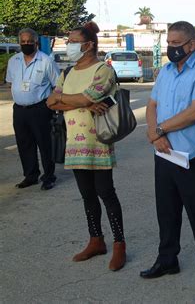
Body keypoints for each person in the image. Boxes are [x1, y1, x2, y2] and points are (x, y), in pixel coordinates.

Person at [141, 21, 195, 294]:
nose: (171, 48)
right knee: (166, 210)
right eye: (169, 43)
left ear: (191, 44)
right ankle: (167, 260)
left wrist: (161, 129)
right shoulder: (164, 72)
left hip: (191, 155)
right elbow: (152, 106)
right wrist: (155, 134)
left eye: (176, 43)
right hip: (163, 152)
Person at [46, 22, 126, 271]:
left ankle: (119, 245)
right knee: (87, 195)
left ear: (88, 44)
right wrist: (82, 103)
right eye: (68, 41)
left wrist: (68, 99)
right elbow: (50, 102)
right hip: (74, 144)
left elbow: (85, 97)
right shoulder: (67, 72)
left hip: (98, 142)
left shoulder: (103, 70)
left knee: (106, 193)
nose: (68, 45)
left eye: (72, 41)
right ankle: (96, 240)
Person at [6, 28, 59, 190]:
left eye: (29, 41)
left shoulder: (46, 61)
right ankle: (31, 176)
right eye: (23, 42)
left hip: (40, 109)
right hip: (20, 110)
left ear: (36, 42)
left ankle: (49, 177)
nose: (26, 44)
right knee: (24, 144)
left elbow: (57, 86)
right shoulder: (13, 61)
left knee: (44, 145)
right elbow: (10, 82)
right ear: (19, 43)